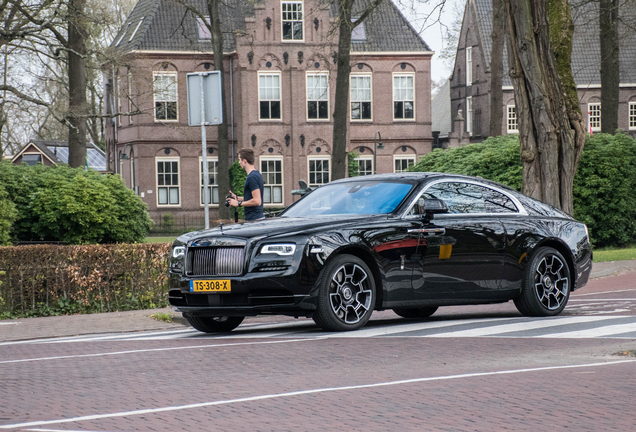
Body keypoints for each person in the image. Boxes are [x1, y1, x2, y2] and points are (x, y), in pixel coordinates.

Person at [226, 148, 265, 221]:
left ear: (245, 161)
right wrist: (237, 198)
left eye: (240, 159)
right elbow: (253, 197)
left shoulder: (252, 177)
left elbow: (257, 201)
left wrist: (238, 203)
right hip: (256, 219)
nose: (239, 162)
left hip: (254, 220)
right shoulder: (256, 174)